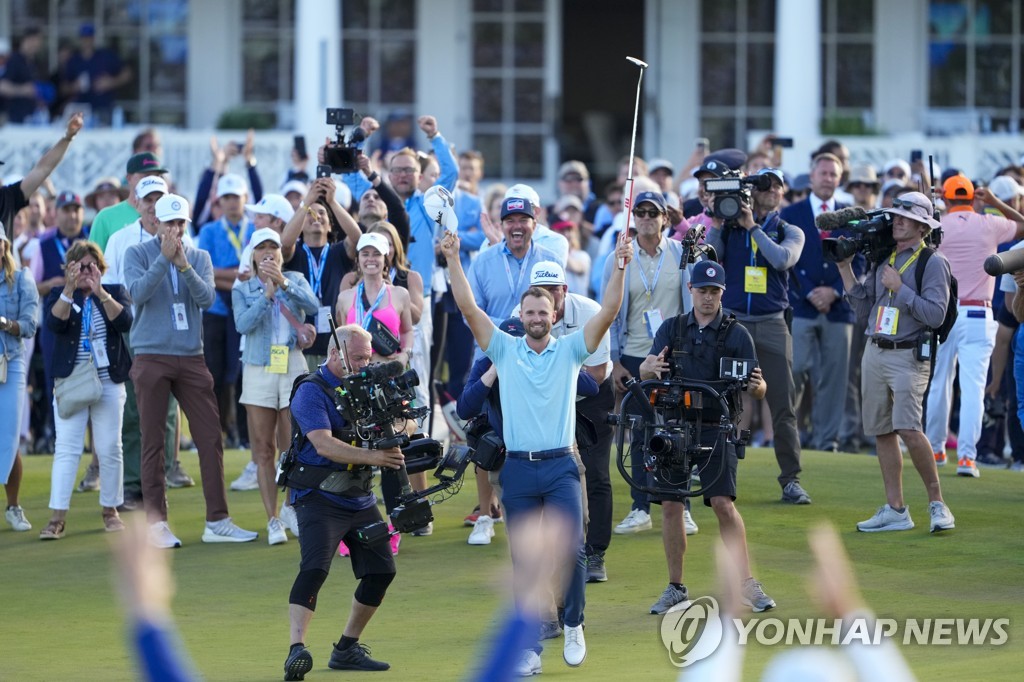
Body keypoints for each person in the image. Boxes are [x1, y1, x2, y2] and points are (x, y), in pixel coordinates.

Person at [440, 226, 633, 676]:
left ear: (553, 312)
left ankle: (573, 623)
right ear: (521, 315)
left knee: (574, 551)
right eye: (529, 310)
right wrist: (452, 260)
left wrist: (619, 266)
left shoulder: (569, 350)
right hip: (520, 473)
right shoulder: (504, 350)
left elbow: (609, 309)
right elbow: (468, 308)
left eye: (542, 310)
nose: (535, 316)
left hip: (563, 465)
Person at [638, 261, 776, 615]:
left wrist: (759, 387)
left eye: (714, 291)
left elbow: (757, 388)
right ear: (691, 290)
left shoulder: (737, 333)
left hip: (717, 426)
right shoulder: (672, 329)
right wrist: (648, 368)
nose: (708, 297)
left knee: (722, 503)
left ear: (722, 294)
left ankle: (747, 582)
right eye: (702, 290)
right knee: (670, 504)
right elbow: (645, 369)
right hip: (674, 427)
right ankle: (675, 587)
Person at [124, 194, 258, 548]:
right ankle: (156, 523)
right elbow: (137, 294)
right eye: (169, 223)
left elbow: (207, 299)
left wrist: (182, 266)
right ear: (155, 223)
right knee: (154, 442)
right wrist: (163, 262)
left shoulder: (199, 256)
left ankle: (218, 520)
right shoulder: (137, 253)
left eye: (180, 222)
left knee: (210, 437)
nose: (175, 228)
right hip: (151, 355)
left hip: (192, 356)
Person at [282, 325, 405, 679]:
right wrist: (377, 457)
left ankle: (347, 648)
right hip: (318, 496)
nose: (365, 364)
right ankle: (296, 650)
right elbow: (324, 444)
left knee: (382, 571)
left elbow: (398, 425)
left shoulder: (367, 386)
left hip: (358, 495)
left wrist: (401, 426)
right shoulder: (311, 391)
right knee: (315, 569)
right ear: (335, 354)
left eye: (369, 357)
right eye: (358, 358)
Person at [836, 191, 956, 533]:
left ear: (921, 227)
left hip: (908, 354)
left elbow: (935, 314)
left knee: (908, 427)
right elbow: (864, 310)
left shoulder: (933, 262)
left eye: (904, 217)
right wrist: (845, 269)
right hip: (875, 349)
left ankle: (937, 503)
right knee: (881, 430)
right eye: (895, 216)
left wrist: (900, 288)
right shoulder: (884, 257)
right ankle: (896, 509)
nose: (896, 221)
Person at [703, 168, 811, 505]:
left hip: (772, 322)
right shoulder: (731, 228)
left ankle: (790, 480)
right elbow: (709, 260)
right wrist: (719, 221)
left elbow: (782, 260)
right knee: (716, 400)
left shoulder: (787, 230)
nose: (773, 190)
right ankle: (709, 471)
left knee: (783, 405)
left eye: (779, 185)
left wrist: (753, 227)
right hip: (732, 321)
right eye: (766, 185)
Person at [510, 261, 614, 582]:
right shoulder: (521, 316)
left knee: (595, 473)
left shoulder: (590, 312)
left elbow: (595, 375)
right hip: (547, 403)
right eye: (542, 289)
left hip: (593, 397)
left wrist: (552, 375)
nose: (549, 296)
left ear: (564, 290)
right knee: (547, 474)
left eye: (555, 289)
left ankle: (595, 553)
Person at [604, 191, 695, 535]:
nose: (645, 218)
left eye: (652, 212)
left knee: (679, 432)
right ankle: (640, 506)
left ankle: (681, 505)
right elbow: (609, 311)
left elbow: (688, 302)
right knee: (640, 433)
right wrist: (614, 360)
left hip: (672, 356)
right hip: (633, 354)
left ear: (664, 219)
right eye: (639, 212)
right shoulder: (621, 256)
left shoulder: (678, 253)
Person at [102, 175, 195, 508]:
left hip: (173, 329)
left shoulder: (184, 233)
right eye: (149, 199)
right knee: (133, 409)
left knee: (168, 411)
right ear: (137, 203)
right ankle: (132, 484)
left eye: (160, 198)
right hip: (131, 329)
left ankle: (163, 475)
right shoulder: (121, 238)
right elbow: (113, 290)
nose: (155, 206)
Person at [925, 175, 1024, 478]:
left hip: (943, 312)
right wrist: (994, 202)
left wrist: (934, 205)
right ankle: (967, 457)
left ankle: (937, 449)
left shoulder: (937, 224)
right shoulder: (988, 223)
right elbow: (1022, 224)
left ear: (946, 196)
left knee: (939, 383)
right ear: (972, 196)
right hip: (978, 314)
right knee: (973, 388)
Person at [233, 228, 319, 546]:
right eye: (262, 248)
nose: (268, 252)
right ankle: (272, 519)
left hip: (292, 365)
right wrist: (266, 296)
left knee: (292, 445)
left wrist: (281, 283)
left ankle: (289, 506)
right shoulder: (243, 288)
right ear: (253, 255)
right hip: (258, 368)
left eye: (274, 247)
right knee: (263, 448)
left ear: (282, 253)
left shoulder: (294, 278)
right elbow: (242, 325)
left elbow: (312, 304)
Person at [41, 241, 131, 538]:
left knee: (109, 448)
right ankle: (57, 518)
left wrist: (100, 290)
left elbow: (125, 321)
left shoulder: (114, 292)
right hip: (72, 382)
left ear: (102, 268)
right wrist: (69, 288)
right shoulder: (59, 294)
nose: (85, 272)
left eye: (91, 266)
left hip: (108, 380)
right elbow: (55, 322)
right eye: (79, 266)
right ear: (68, 268)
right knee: (66, 450)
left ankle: (111, 509)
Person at [781, 152, 856, 453]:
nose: (827, 179)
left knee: (834, 379)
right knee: (795, 370)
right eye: (822, 173)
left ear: (839, 179)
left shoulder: (851, 216)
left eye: (832, 174)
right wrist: (812, 290)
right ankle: (792, 437)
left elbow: (860, 259)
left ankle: (828, 442)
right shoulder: (792, 213)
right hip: (802, 305)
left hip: (839, 310)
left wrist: (836, 291)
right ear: (811, 177)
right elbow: (786, 260)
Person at [196, 173, 253, 448]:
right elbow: (205, 273)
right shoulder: (208, 231)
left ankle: (242, 435)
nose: (232, 203)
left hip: (249, 313)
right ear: (220, 201)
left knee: (241, 374)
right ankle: (215, 434)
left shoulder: (254, 229)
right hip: (216, 311)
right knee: (214, 375)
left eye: (236, 197)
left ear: (245, 199)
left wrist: (226, 277)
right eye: (227, 198)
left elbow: (257, 275)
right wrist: (239, 277)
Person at [1, 227, 39, 532]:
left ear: (5, 245)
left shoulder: (22, 278)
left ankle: (13, 506)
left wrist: (4, 322)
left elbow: (29, 325)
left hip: (10, 364)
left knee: (9, 437)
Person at [336, 232, 414, 367]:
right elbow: (342, 339)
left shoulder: (400, 294)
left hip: (387, 373)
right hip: (356, 374)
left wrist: (405, 355)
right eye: (365, 254)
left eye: (377, 254)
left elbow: (407, 331)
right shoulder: (345, 297)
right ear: (357, 260)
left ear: (385, 260)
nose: (370, 259)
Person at [61, 23, 132, 125]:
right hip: (81, 111)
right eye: (84, 38)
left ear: (94, 38)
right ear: (80, 39)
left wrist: (111, 82)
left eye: (89, 37)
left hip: (103, 109)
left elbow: (127, 73)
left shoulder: (105, 56)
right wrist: (74, 86)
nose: (87, 41)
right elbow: (63, 88)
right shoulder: (73, 60)